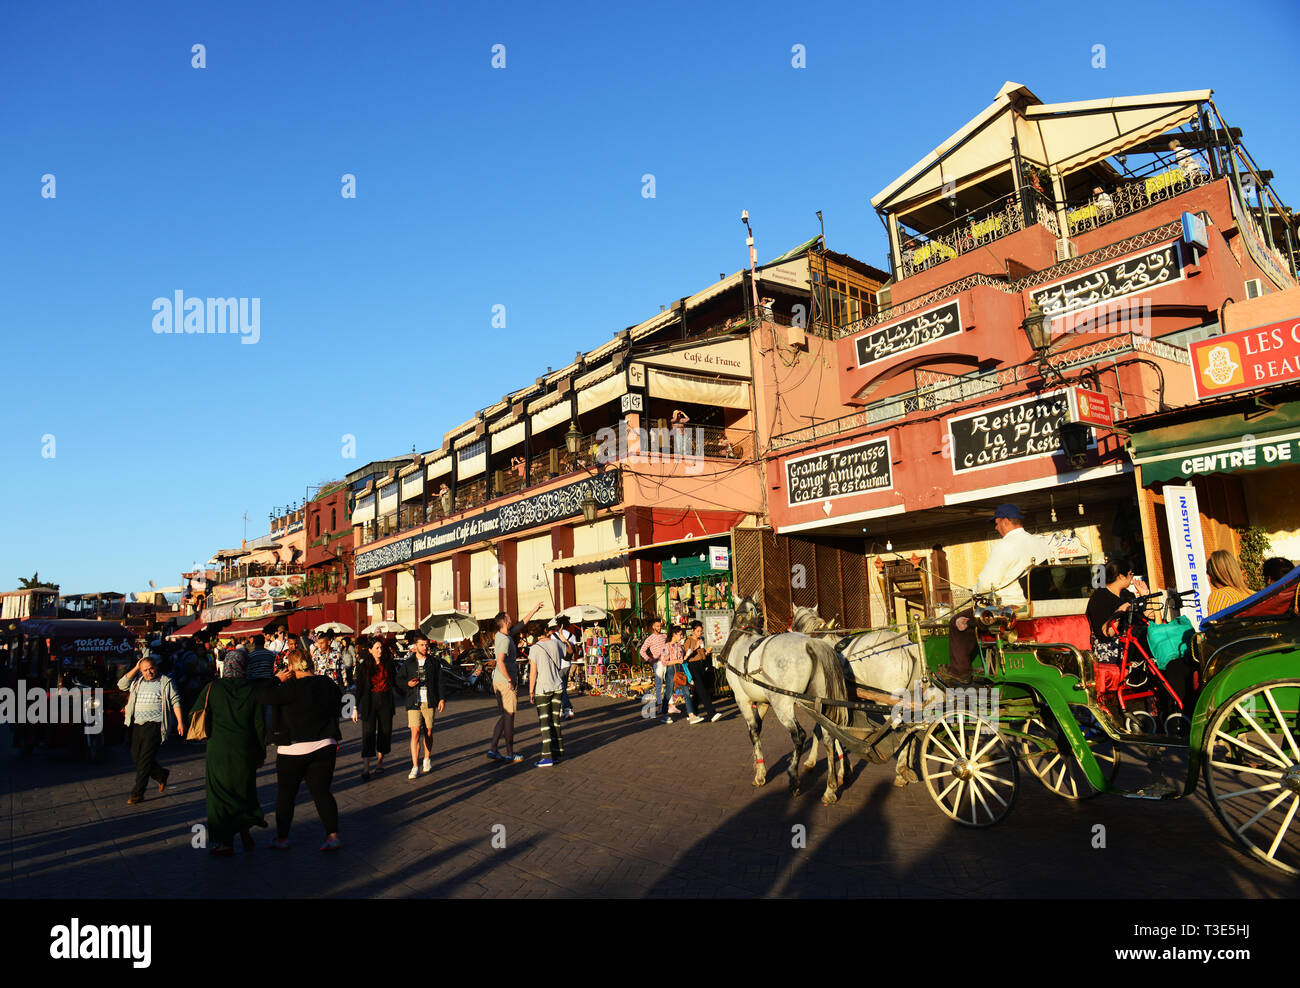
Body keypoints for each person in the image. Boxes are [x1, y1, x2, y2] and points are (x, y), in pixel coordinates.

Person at [938, 503, 1049, 686]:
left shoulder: (1004, 546)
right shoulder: (1041, 542)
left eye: (996, 524)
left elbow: (986, 583)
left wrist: (974, 592)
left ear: (1005, 521)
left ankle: (961, 673)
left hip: (1010, 608)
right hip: (1037, 604)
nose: (996, 528)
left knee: (958, 622)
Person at [257, 647, 343, 851]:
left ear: (292, 667)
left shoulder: (288, 688)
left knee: (286, 795)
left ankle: (282, 838)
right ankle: (332, 836)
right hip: (324, 745)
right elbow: (337, 703)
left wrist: (277, 679)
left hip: (292, 749)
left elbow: (260, 695)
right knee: (322, 793)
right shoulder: (327, 683)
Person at [194, 650, 268, 856]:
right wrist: (261, 753)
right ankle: (244, 828)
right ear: (244, 666)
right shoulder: (253, 690)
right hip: (245, 750)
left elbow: (196, 711)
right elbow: (260, 725)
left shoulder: (213, 687)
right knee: (243, 791)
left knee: (219, 795)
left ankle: (225, 842)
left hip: (218, 749)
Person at [119, 653, 185, 805]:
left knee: (145, 760)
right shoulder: (137, 681)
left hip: (155, 725)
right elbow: (121, 685)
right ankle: (161, 774)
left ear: (156, 668)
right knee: (136, 757)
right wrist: (136, 667)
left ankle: (138, 793)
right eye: (145, 670)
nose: (148, 672)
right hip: (137, 724)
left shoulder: (165, 682)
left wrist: (180, 722)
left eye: (151, 669)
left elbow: (175, 701)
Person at [487, 603, 543, 763]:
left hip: (498, 681)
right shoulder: (504, 640)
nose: (512, 618)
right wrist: (510, 680)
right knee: (509, 717)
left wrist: (534, 609)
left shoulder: (502, 635)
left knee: (505, 716)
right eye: (509, 617)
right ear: (504, 621)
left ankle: (493, 748)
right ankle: (510, 753)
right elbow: (500, 661)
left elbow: (521, 623)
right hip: (505, 682)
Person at [397, 631, 445, 779]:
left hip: (429, 700)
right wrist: (407, 684)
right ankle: (415, 766)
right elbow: (398, 680)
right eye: (422, 645)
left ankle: (427, 758)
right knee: (415, 732)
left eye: (426, 645)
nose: (425, 647)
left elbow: (439, 681)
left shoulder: (434, 662)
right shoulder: (408, 663)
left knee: (428, 732)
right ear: (415, 646)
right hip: (413, 701)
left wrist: (441, 699)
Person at [1085, 558, 1147, 666]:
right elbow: (1106, 634)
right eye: (1130, 573)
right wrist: (1119, 611)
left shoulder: (1126, 595)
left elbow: (1148, 617)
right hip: (1112, 650)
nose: (1132, 577)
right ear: (1121, 576)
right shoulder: (1099, 598)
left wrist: (1145, 595)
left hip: (1131, 644)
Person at [352, 636, 396, 779]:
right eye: (376, 648)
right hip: (369, 702)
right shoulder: (363, 667)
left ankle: (379, 763)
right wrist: (355, 708)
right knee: (368, 733)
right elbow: (359, 689)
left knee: (385, 732)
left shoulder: (388, 664)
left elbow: (395, 683)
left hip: (385, 701)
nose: (380, 650)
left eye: (381, 648)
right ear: (370, 650)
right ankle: (366, 768)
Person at [527, 625, 568, 767]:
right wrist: (562, 637)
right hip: (557, 686)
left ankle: (547, 757)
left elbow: (533, 672)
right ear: (545, 631)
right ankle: (557, 752)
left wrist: (531, 691)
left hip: (543, 688)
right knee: (555, 721)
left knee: (544, 723)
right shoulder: (556, 643)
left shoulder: (534, 649)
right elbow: (569, 652)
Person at [684, 620, 721, 722]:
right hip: (693, 665)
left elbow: (702, 654)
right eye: (698, 631)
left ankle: (693, 713)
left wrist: (707, 652)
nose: (699, 633)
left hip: (701, 665)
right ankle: (711, 713)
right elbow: (687, 655)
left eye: (701, 631)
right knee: (702, 690)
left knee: (697, 691)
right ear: (693, 631)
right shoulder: (689, 641)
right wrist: (695, 647)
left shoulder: (701, 640)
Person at [659, 626, 694, 725]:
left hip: (680, 668)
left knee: (686, 691)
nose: (682, 636)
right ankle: (665, 715)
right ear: (674, 634)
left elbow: (683, 659)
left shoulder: (680, 646)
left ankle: (691, 715)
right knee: (668, 692)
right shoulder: (667, 646)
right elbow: (664, 661)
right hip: (671, 669)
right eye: (680, 634)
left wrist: (687, 655)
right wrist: (677, 661)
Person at [1205, 549, 1251, 615]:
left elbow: (1214, 625)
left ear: (1213, 574)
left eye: (1207, 572)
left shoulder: (1220, 596)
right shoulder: (1252, 594)